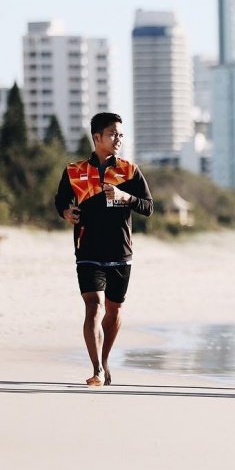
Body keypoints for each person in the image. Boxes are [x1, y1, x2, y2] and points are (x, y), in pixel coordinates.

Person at [54, 112, 153, 387]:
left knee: (114, 310)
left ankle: (105, 358)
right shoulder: (74, 170)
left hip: (121, 251)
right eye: (112, 134)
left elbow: (148, 206)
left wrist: (125, 196)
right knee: (93, 306)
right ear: (96, 137)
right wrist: (67, 212)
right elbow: (61, 200)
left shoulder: (129, 170)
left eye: (120, 134)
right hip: (87, 249)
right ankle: (96, 368)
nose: (118, 139)